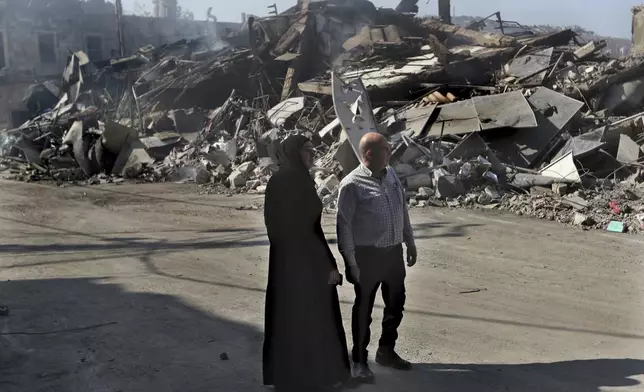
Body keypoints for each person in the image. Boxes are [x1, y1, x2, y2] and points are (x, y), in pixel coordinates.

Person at [263, 134, 352, 392]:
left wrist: (327, 261)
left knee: (300, 316)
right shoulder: (290, 182)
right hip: (300, 262)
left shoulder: (295, 179)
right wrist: (324, 264)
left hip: (291, 261)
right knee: (309, 314)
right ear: (293, 152)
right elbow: (296, 229)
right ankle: (311, 376)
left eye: (313, 149)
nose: (312, 154)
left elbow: (307, 227)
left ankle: (300, 374)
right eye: (306, 150)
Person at [336, 132, 418, 384]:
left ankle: (386, 351)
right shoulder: (351, 184)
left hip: (393, 253)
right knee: (365, 308)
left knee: (396, 304)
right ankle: (359, 360)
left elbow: (401, 208)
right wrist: (350, 262)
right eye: (386, 148)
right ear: (369, 153)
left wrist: (410, 240)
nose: (390, 152)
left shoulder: (391, 174)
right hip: (367, 256)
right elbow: (344, 225)